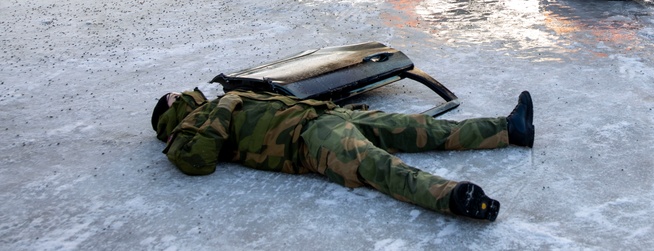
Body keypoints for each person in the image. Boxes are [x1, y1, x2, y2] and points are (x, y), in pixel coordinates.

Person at [151, 89, 534, 221]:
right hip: (309, 142)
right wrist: (226, 104)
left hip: (327, 116)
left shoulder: (211, 106)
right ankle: (453, 197)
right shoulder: (188, 131)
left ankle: (507, 129)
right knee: (379, 167)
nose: (180, 92)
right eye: (172, 97)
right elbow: (197, 161)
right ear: (169, 111)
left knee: (422, 127)